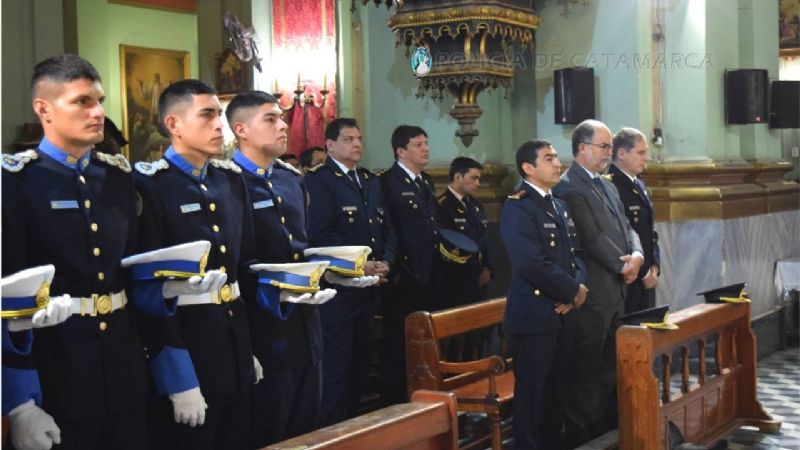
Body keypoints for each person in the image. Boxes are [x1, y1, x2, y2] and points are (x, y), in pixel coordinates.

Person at [2, 53, 149, 449]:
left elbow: (130, 270)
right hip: (56, 366)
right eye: (82, 101)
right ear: (44, 110)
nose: (97, 112)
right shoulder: (16, 181)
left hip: (123, 365)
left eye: (99, 100)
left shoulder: (116, 176)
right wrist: (19, 401)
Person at [132, 79, 259, 450]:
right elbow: (148, 289)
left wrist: (246, 349)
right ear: (173, 124)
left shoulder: (230, 182)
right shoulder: (150, 185)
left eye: (219, 114)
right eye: (207, 115)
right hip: (187, 348)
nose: (219, 125)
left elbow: (238, 273)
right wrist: (177, 377)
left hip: (232, 347)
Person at [226, 90, 335, 446]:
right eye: (270, 120)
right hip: (264, 324)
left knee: (307, 427)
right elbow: (236, 264)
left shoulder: (290, 178)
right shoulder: (229, 181)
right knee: (269, 428)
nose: (282, 126)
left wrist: (334, 269)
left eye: (282, 118)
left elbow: (300, 246)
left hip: (306, 324)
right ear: (241, 130)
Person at [553, 119, 644, 447]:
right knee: (585, 371)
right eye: (603, 146)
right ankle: (581, 436)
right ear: (582, 148)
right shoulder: (568, 186)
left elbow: (627, 226)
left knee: (607, 369)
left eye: (609, 147)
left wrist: (636, 255)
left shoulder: (606, 185)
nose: (609, 152)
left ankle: (601, 432)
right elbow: (592, 238)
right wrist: (624, 266)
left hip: (616, 291)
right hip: (593, 295)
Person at [305, 117, 394, 424]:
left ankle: (353, 429)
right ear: (330, 145)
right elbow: (320, 235)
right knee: (336, 370)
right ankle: (332, 432)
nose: (357, 144)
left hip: (368, 288)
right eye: (348, 139)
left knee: (360, 363)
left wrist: (385, 262)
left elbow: (384, 228)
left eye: (359, 138)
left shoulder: (369, 180)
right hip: (338, 290)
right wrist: (358, 265)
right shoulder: (319, 180)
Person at [501, 140, 588, 450]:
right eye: (548, 158)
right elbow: (530, 263)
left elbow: (576, 255)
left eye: (555, 157)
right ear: (528, 168)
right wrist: (571, 290)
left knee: (557, 394)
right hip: (535, 315)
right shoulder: (518, 206)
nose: (557, 163)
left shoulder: (559, 204)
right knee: (532, 398)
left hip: (562, 314)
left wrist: (576, 289)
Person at [379, 124, 440, 404]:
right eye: (418, 144)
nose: (425, 148)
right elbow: (389, 230)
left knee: (423, 343)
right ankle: (397, 400)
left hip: (428, 274)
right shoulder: (388, 182)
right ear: (401, 151)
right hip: (404, 277)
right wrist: (397, 270)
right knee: (399, 345)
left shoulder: (424, 181)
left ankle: (422, 394)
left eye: (426, 142)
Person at [608, 128, 661, 314]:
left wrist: (655, 265)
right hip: (628, 277)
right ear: (621, 153)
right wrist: (644, 272)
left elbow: (649, 231)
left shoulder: (638, 183)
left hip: (647, 273)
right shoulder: (611, 185)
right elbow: (619, 235)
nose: (646, 158)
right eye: (641, 152)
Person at [437, 157, 493, 309]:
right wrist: (474, 271)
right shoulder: (442, 205)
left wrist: (487, 268)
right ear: (458, 177)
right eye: (474, 178)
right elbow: (446, 245)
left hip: (480, 278)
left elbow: (484, 240)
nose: (478, 184)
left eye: (479, 179)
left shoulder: (475, 206)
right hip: (456, 278)